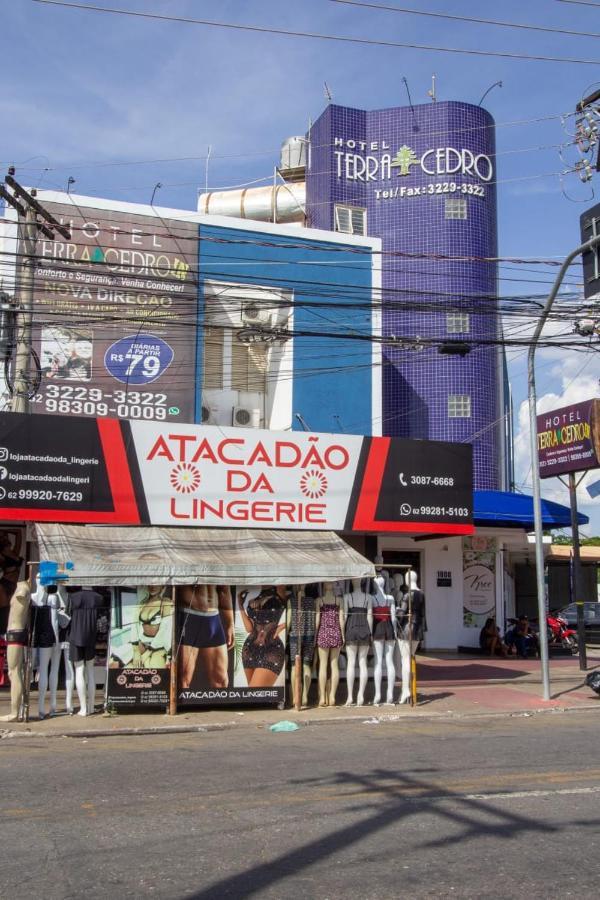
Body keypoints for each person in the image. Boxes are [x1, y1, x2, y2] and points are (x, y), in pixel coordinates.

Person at [178, 585, 234, 690]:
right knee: (183, 679)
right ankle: (183, 706)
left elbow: (224, 590)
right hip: (188, 617)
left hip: (214, 619)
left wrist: (230, 623)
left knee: (220, 681)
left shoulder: (220, 567)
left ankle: (219, 706)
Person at [239, 586, 287, 688]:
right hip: (250, 649)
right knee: (252, 694)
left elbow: (296, 613)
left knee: (255, 691)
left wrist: (282, 626)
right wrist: (240, 605)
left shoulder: (280, 589)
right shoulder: (254, 600)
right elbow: (249, 629)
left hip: (271, 649)